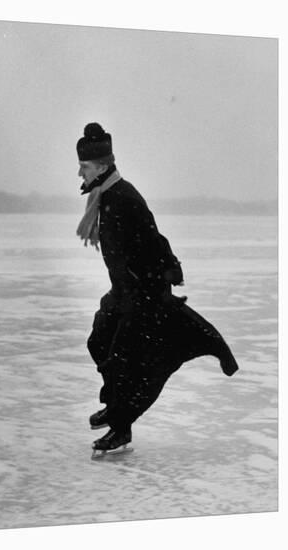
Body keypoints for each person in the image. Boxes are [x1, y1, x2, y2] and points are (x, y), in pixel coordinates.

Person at [76, 122, 239, 457]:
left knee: (126, 361)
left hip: (144, 293)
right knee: (99, 342)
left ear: (102, 167)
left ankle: (120, 428)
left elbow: (152, 235)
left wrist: (169, 269)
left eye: (85, 166)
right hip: (123, 290)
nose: (79, 172)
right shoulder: (104, 197)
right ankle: (114, 407)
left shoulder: (124, 197)